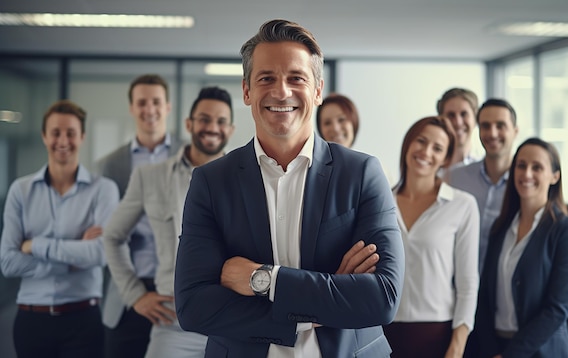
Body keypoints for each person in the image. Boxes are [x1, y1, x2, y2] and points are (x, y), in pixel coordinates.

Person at [174, 19, 405, 358]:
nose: (281, 91)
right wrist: (328, 302)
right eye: (266, 78)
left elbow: (382, 298)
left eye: (296, 78)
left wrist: (263, 279)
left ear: (317, 90)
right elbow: (194, 306)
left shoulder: (362, 173)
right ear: (247, 90)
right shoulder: (211, 182)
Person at [103, 86, 235, 358]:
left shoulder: (247, 179)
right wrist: (135, 295)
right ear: (189, 124)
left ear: (230, 129)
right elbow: (112, 237)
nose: (212, 127)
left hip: (231, 322)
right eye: (204, 119)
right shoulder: (149, 177)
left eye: (221, 121)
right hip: (173, 326)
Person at [0, 100, 119, 358]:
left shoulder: (104, 190)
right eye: (55, 132)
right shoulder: (20, 191)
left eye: (71, 133)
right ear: (44, 136)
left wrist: (35, 246)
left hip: (83, 321)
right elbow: (8, 262)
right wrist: (72, 259)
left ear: (82, 137)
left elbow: (101, 253)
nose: (63, 140)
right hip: (31, 319)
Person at [96, 74, 184, 358]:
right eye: (142, 102)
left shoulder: (190, 155)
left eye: (156, 102)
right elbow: (107, 228)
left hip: (178, 294)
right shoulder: (111, 165)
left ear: (168, 107)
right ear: (132, 108)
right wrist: (135, 295)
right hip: (127, 296)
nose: (150, 109)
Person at [474, 137, 568, 357]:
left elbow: (557, 309)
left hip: (539, 350)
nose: (526, 174)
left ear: (555, 176)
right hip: (493, 347)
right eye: (521, 165)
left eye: (537, 167)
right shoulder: (502, 226)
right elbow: (485, 295)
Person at [384, 116, 479, 358]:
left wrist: (457, 347)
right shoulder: (381, 202)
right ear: (408, 144)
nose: (426, 152)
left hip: (437, 334)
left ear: (446, 158)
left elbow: (468, 284)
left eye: (437, 148)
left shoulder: (462, 205)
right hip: (382, 332)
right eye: (421, 141)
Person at [447, 98, 519, 273]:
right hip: (457, 283)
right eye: (485, 126)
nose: (492, 133)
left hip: (504, 287)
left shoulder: (525, 184)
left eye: (500, 125)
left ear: (515, 132)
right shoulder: (454, 178)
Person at [436, 88, 480, 169]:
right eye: (451, 115)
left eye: (464, 114)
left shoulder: (485, 167)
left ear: (476, 119)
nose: (458, 122)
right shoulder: (430, 164)